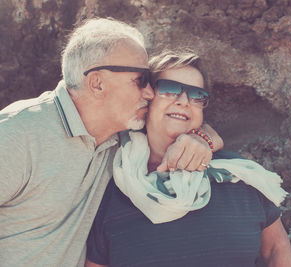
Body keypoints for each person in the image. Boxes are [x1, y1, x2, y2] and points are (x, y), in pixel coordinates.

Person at [0, 18, 222, 266]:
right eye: (140, 80)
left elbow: (178, 123)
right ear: (97, 83)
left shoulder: (122, 142)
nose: (149, 92)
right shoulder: (17, 134)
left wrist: (201, 138)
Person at [85, 50, 291, 267]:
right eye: (169, 89)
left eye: (197, 96)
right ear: (147, 99)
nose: (184, 101)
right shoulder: (113, 186)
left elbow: (276, 250)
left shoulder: (239, 176)